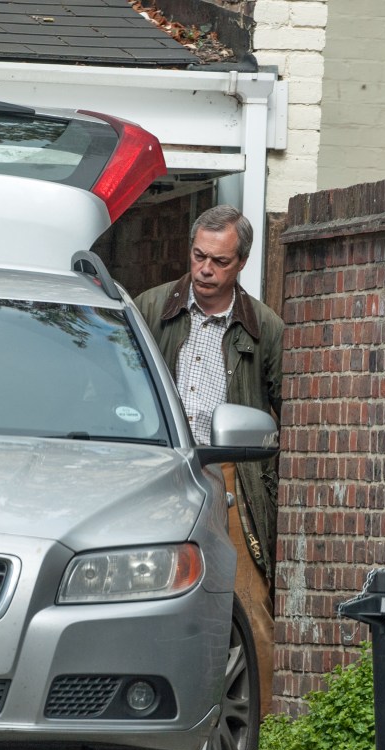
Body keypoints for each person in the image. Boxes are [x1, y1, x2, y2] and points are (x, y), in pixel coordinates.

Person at [134, 204, 284, 716]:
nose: (204, 270)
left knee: (248, 604)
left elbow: (288, 419)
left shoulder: (265, 328)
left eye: (218, 261)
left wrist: (266, 480)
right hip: (161, 473)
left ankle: (260, 733)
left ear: (240, 263)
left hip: (229, 474)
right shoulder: (151, 309)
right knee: (150, 592)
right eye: (198, 256)